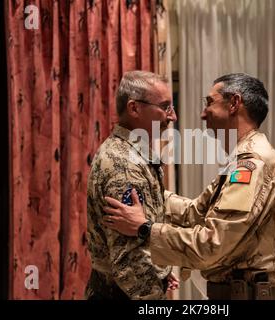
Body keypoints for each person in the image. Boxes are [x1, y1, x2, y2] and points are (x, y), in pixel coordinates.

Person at [103, 73, 275, 300]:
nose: (203, 114)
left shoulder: (253, 165)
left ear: (234, 103)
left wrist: (144, 229)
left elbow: (211, 246)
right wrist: (147, 189)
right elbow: (195, 211)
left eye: (209, 103)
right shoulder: (241, 161)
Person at [85, 70, 179, 300]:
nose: (173, 116)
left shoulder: (133, 154)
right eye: (165, 106)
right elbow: (128, 259)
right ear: (134, 108)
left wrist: (161, 271)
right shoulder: (123, 165)